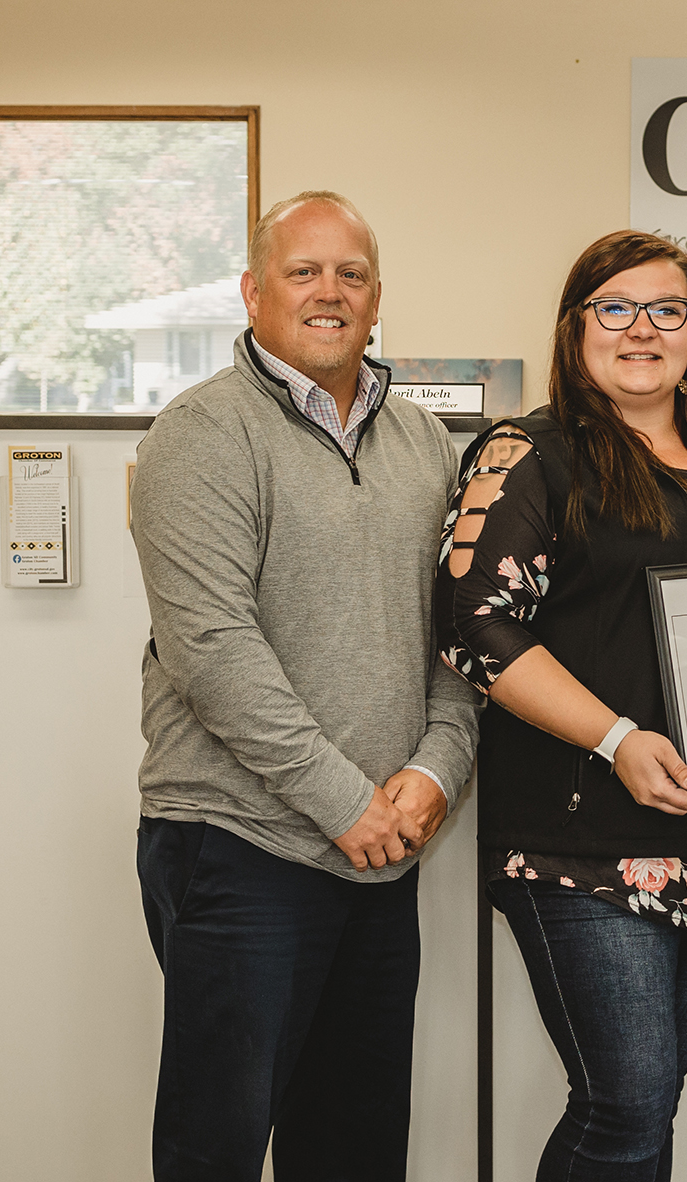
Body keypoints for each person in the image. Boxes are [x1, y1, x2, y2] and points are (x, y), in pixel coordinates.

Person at [437, 229, 687, 1181]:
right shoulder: (531, 453)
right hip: (587, 845)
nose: (642, 330)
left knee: (639, 1110)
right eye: (615, 308)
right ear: (577, 328)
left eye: (667, 310)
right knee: (629, 1104)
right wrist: (616, 737)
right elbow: (473, 626)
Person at [131, 190, 479, 1181]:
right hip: (240, 850)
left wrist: (433, 775)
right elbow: (211, 649)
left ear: (376, 300)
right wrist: (344, 802)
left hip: (382, 856)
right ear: (252, 292)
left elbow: (456, 638)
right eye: (303, 271)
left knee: (356, 1151)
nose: (329, 293)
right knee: (218, 1150)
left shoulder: (422, 444)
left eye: (351, 274)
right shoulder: (200, 434)